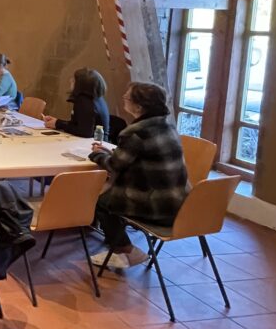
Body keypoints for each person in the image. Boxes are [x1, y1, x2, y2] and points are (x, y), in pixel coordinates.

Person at [89, 82, 189, 270]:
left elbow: (114, 165)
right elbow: (134, 158)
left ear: (139, 106)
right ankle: (119, 243)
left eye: (127, 97)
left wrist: (97, 154)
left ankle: (124, 250)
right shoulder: (167, 126)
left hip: (155, 204)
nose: (124, 99)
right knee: (109, 194)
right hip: (180, 203)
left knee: (101, 200)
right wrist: (112, 153)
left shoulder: (136, 132)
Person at [42, 68, 110, 138]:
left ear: (81, 84)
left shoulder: (83, 101)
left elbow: (84, 132)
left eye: (74, 80)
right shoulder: (97, 98)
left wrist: (57, 124)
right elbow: (78, 124)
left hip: (92, 144)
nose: (70, 81)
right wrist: (57, 122)